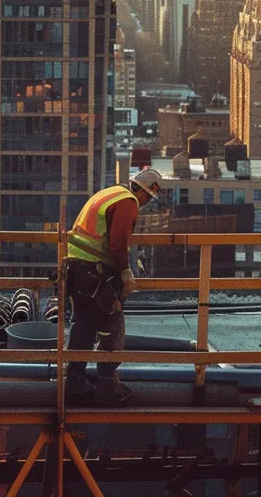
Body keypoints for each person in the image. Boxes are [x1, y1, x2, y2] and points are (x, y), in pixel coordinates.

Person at [62, 168, 162, 404]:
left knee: (83, 326)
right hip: (93, 272)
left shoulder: (110, 193)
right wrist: (126, 272)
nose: (146, 203)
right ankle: (107, 384)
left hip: (77, 270)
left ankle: (74, 381)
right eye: (148, 197)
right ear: (141, 190)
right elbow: (117, 244)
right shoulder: (128, 202)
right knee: (113, 324)